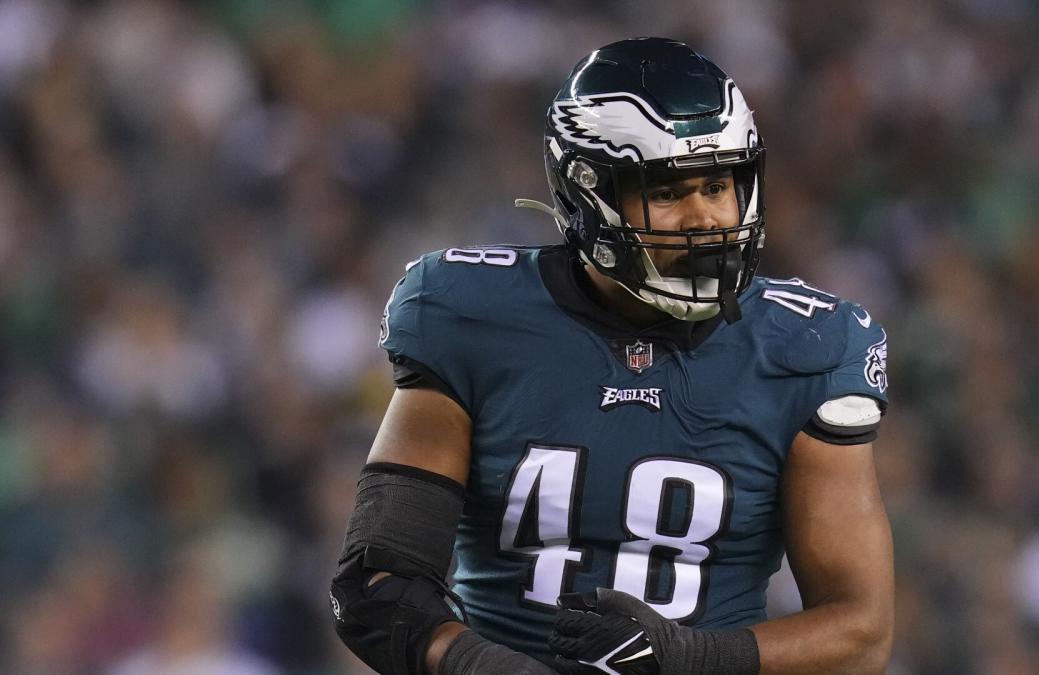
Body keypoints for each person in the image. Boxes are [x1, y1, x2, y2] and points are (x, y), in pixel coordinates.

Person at [330, 37, 894, 675]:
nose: (705, 218)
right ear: (588, 192)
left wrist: (691, 657)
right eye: (669, 190)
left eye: (717, 184)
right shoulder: (472, 319)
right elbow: (379, 590)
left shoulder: (807, 349)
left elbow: (861, 632)